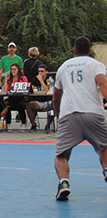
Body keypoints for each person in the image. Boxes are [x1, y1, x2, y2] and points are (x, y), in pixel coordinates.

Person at [53, 36, 107, 201]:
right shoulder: (96, 65)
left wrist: (57, 112)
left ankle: (64, 183)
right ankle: (106, 169)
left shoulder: (64, 66)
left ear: (74, 50)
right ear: (90, 50)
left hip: (70, 114)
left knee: (62, 154)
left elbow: (56, 95)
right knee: (104, 147)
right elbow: (102, 82)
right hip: (93, 113)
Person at [26, 64, 52, 132]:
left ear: (46, 72)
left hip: (48, 100)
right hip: (38, 101)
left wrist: (41, 81)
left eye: (42, 71)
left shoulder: (49, 79)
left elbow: (47, 90)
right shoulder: (35, 78)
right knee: (29, 105)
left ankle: (48, 124)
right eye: (39, 71)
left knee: (55, 106)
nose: (40, 73)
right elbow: (32, 89)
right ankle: (33, 125)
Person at [3, 63, 28, 131]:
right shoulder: (9, 79)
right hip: (11, 98)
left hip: (20, 97)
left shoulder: (23, 78)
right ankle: (8, 124)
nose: (13, 71)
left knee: (21, 105)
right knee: (5, 105)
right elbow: (6, 90)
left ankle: (23, 123)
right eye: (11, 69)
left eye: (14, 69)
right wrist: (5, 80)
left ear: (18, 70)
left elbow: (26, 88)